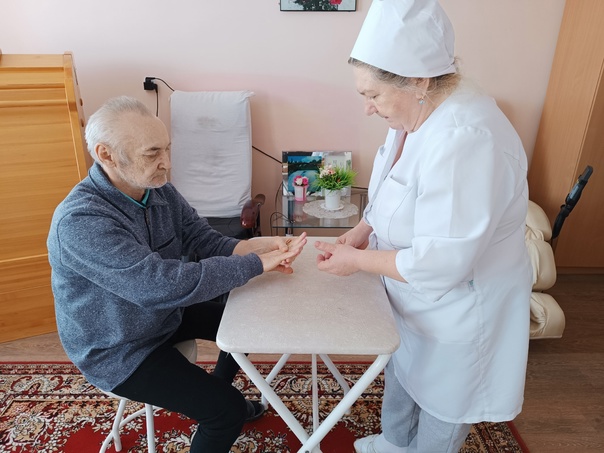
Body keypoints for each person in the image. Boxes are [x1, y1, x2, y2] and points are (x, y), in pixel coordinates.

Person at [314, 1, 532, 452]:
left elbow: (441, 262)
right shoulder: (414, 113)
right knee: (404, 373)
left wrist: (356, 261)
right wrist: (363, 229)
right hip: (410, 295)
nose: (368, 109)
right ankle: (393, 444)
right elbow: (394, 188)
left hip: (459, 308)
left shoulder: (466, 139)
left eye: (373, 95)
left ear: (418, 80)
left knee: (443, 404)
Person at [47, 95, 307, 453]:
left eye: (167, 148)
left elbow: (205, 239)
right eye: (152, 153)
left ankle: (216, 393)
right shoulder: (80, 221)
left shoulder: (157, 189)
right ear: (106, 155)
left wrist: (259, 248)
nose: (167, 163)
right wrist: (254, 265)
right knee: (228, 413)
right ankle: (222, 406)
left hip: (163, 317)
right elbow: (159, 285)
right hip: (118, 348)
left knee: (248, 321)